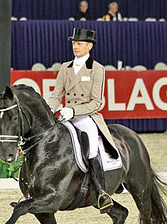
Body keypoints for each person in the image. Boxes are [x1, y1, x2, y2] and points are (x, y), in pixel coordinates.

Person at [48, 28, 118, 213]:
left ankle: (102, 192)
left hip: (86, 116)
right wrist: (50, 108)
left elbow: (97, 102)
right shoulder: (65, 67)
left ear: (89, 46)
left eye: (79, 43)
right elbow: (56, 95)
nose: (75, 46)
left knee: (91, 145)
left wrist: (74, 110)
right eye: (73, 43)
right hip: (65, 114)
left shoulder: (97, 69)